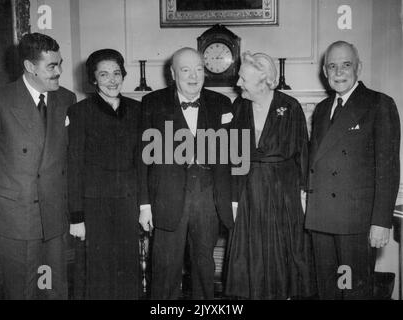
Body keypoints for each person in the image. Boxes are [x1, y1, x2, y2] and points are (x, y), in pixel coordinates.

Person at [305, 41, 400, 299]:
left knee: (353, 292)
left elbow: (388, 169)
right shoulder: (323, 109)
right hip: (321, 219)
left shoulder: (379, 104)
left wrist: (381, 221)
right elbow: (316, 162)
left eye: (346, 65)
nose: (338, 72)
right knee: (328, 291)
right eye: (332, 66)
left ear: (359, 67)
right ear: (325, 72)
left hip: (355, 223)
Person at [139, 47, 234, 299]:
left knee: (204, 264)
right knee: (165, 267)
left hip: (207, 195)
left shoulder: (222, 103)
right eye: (185, 70)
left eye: (199, 69)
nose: (194, 76)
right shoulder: (152, 103)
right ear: (172, 74)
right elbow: (141, 160)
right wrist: (144, 205)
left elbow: (231, 156)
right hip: (167, 196)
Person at [0, 33, 76, 299]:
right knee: (23, 292)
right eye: (52, 66)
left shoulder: (66, 99)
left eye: (60, 63)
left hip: (53, 217)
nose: (59, 71)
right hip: (16, 218)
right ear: (29, 67)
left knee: (52, 288)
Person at [225, 51, 316, 299]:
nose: (238, 83)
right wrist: (233, 197)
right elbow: (233, 155)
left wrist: (305, 195)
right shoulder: (239, 106)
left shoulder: (290, 106)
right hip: (248, 193)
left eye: (243, 78)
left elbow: (303, 154)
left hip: (282, 193)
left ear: (264, 79)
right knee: (250, 257)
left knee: (284, 258)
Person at [67, 49, 141, 299]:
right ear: (93, 79)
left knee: (128, 268)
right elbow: (74, 166)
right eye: (104, 74)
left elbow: (143, 161)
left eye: (117, 73)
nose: (112, 79)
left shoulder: (138, 110)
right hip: (94, 206)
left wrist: (144, 205)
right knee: (97, 271)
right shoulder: (79, 112)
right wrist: (76, 216)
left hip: (128, 202)